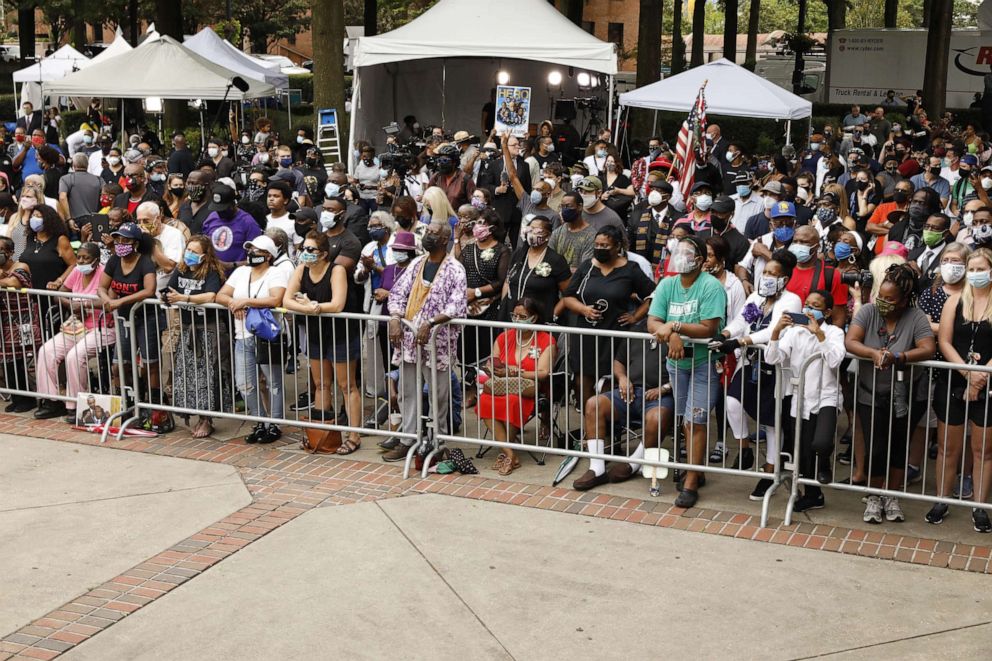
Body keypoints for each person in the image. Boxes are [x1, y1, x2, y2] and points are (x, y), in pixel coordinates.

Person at [845, 263, 935, 524]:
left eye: (890, 299)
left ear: (905, 299)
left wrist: (900, 357)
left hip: (906, 395)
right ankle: (874, 496)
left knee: (898, 447)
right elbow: (851, 341)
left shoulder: (916, 316)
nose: (883, 302)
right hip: (870, 393)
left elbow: (928, 347)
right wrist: (873, 353)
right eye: (880, 296)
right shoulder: (869, 312)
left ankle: (891, 495)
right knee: (876, 447)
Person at [711, 250, 802, 499]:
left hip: (775, 367)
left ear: (784, 279)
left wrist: (742, 341)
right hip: (751, 364)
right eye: (765, 272)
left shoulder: (791, 301)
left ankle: (770, 473)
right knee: (732, 402)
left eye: (773, 274)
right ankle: (745, 448)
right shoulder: (757, 298)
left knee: (771, 423)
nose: (767, 277)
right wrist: (726, 336)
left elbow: (775, 331)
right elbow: (742, 320)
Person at [648, 235, 727, 508]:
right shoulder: (667, 284)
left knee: (697, 420)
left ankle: (692, 480)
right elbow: (653, 321)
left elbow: (708, 327)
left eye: (688, 251)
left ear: (701, 260)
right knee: (685, 420)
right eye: (678, 250)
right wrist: (670, 333)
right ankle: (696, 468)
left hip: (703, 363)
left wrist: (674, 327)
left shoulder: (711, 286)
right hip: (676, 363)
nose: (682, 255)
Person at [384, 220, 467, 462]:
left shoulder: (455, 269)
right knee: (407, 391)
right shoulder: (417, 264)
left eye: (433, 233)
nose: (427, 236)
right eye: (427, 232)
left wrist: (430, 323)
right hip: (409, 339)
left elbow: (457, 304)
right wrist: (396, 318)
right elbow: (398, 293)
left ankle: (436, 440)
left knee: (438, 394)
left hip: (438, 342)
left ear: (444, 239)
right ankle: (408, 439)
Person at [283, 230, 364, 454]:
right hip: (317, 331)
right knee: (320, 384)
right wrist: (308, 308)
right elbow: (287, 299)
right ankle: (320, 432)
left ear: (323, 254)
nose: (305, 254)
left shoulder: (336, 270)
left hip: (341, 332)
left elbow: (338, 304)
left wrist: (315, 307)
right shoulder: (301, 269)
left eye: (311, 250)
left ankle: (354, 436)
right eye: (303, 249)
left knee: (347, 385)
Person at [765, 289, 847, 511]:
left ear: (827, 312)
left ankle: (825, 465)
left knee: (820, 443)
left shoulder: (834, 333)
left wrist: (818, 334)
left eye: (816, 307)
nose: (809, 310)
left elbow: (835, 361)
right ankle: (813, 495)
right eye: (807, 305)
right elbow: (773, 358)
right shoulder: (794, 333)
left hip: (826, 396)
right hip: (800, 397)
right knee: (802, 452)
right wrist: (776, 332)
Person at [572, 317, 676, 490]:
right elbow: (619, 361)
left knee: (658, 417)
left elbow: (690, 371)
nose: (654, 308)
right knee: (593, 404)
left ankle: (634, 462)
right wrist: (622, 378)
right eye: (651, 303)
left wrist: (664, 388)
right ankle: (596, 468)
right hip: (629, 391)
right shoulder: (636, 330)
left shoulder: (677, 333)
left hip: (660, 395)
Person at [930, 247, 992, 532]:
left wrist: (981, 375)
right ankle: (941, 499)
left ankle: (980, 506)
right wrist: (967, 373)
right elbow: (944, 340)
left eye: (982, 269)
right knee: (947, 447)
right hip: (953, 380)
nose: (977, 274)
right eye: (973, 269)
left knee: (984, 450)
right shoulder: (954, 301)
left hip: (989, 384)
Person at [562, 225, 655, 408]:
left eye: (605, 246)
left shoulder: (630, 269)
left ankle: (608, 424)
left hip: (615, 332)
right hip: (586, 333)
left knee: (608, 381)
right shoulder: (587, 266)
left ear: (617, 246)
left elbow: (655, 295)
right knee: (583, 380)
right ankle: (587, 426)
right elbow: (568, 296)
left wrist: (635, 317)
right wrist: (583, 309)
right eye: (597, 244)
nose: (599, 249)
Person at [216, 236, 289, 444]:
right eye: (250, 249)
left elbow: (276, 299)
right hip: (243, 335)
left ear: (268, 255)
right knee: (244, 383)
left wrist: (246, 302)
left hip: (267, 335)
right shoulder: (241, 272)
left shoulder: (276, 272)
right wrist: (233, 303)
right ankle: (260, 420)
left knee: (273, 381)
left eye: (257, 250)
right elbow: (221, 295)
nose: (252, 254)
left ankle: (274, 424)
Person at [476, 298, 556, 476]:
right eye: (514, 315)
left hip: (528, 389)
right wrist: (496, 370)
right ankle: (510, 454)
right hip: (500, 386)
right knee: (484, 400)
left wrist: (515, 373)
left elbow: (542, 372)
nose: (517, 319)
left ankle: (506, 454)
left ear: (534, 318)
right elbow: (491, 363)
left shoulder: (546, 339)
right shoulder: (505, 337)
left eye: (523, 316)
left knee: (511, 401)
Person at [162, 235, 225, 438]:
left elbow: (211, 295)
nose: (189, 255)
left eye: (194, 252)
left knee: (206, 375)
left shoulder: (211, 272)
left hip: (207, 329)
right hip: (187, 327)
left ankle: (207, 419)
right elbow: (171, 290)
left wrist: (185, 298)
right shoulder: (181, 269)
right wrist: (168, 297)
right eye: (188, 250)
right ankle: (193, 414)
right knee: (186, 374)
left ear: (205, 256)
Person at [98, 222, 161, 413]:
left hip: (146, 318)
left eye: (125, 240)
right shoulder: (114, 261)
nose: (120, 244)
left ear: (135, 243)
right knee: (118, 366)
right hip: (124, 320)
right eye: (117, 240)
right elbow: (101, 286)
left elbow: (150, 290)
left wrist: (121, 302)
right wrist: (108, 299)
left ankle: (154, 407)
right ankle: (126, 404)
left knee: (150, 364)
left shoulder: (145, 262)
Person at [458, 209, 510, 374]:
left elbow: (501, 281)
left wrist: (477, 292)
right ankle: (468, 385)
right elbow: (458, 269)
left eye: (483, 223)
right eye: (477, 223)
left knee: (486, 350)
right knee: (465, 350)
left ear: (493, 228)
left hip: (489, 309)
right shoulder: (468, 248)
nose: (478, 227)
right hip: (467, 308)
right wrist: (456, 238)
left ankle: (484, 387)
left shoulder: (502, 251)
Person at [502, 216, 571, 324]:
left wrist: (553, 315)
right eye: (530, 229)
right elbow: (508, 282)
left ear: (548, 235)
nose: (532, 233)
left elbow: (568, 293)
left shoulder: (556, 260)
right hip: (512, 317)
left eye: (537, 230)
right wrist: (503, 306)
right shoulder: (518, 254)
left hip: (540, 321)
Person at [0, 235, 40, 412]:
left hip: (22, 320)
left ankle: (27, 399)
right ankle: (16, 397)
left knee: (20, 360)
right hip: (5, 322)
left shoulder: (21, 266)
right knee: (7, 361)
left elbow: (14, 283)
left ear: (10, 252)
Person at [201, 183, 262, 271]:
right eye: (217, 209)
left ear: (233, 204)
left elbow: (259, 258)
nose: (220, 212)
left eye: (223, 209)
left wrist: (232, 265)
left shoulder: (248, 223)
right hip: (213, 275)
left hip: (237, 277)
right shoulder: (211, 217)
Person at [549, 192, 596, 271]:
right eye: (563, 206)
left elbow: (584, 269)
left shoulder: (591, 236)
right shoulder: (558, 232)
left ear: (580, 207)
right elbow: (549, 259)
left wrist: (558, 270)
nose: (564, 210)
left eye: (569, 206)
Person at [57, 153, 102, 220]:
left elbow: (62, 197)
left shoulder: (66, 179)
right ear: (87, 165)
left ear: (73, 165)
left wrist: (68, 219)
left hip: (75, 220)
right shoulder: (99, 179)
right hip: (95, 219)